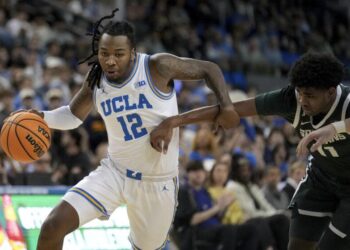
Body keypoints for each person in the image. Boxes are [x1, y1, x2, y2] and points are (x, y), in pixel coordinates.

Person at [22, 8, 238, 250]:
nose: (110, 60)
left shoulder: (157, 66)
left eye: (119, 54)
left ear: (133, 53)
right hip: (114, 173)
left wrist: (226, 104)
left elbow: (210, 69)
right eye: (104, 54)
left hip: (157, 182)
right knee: (53, 225)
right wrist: (40, 116)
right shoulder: (96, 80)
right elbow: (72, 116)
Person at [150, 52, 350, 250]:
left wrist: (335, 128)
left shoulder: (346, 102)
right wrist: (174, 121)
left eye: (310, 96)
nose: (303, 101)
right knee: (297, 245)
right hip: (321, 179)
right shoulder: (290, 99)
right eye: (300, 93)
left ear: (331, 92)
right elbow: (231, 108)